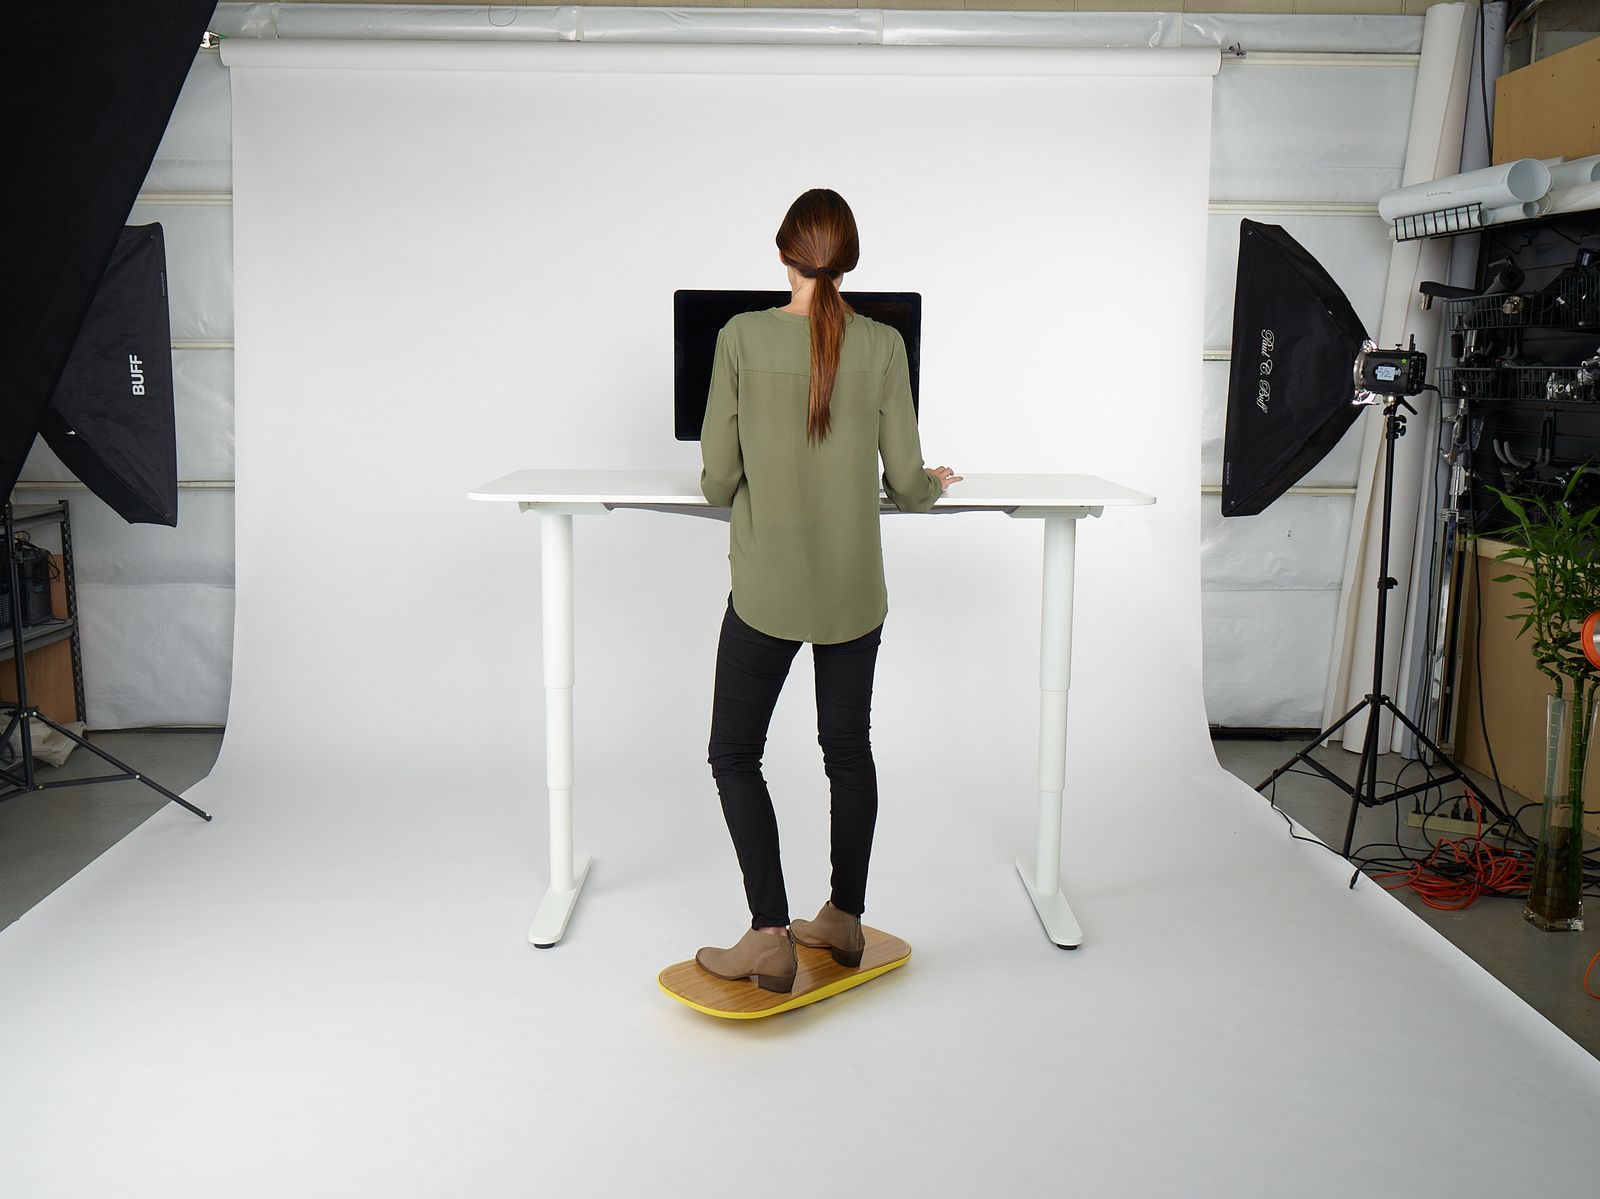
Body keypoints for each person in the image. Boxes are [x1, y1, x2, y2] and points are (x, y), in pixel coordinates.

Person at [693, 188, 961, 993]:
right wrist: (936, 482)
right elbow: (908, 485)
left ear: (784, 253)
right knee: (847, 750)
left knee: (735, 753)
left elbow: (716, 483)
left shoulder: (739, 337)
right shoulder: (882, 345)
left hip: (768, 590)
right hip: (852, 591)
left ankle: (770, 934)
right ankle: (843, 918)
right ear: (849, 261)